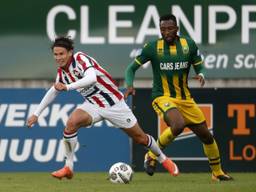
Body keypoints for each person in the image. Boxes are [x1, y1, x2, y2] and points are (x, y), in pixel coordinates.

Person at [26, 36, 179, 180]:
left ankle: (163, 159)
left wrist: (68, 87)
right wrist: (36, 114)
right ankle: (68, 167)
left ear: (70, 52)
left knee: (141, 138)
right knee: (71, 123)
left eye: (61, 54)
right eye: (55, 54)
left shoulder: (80, 58)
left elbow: (91, 78)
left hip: (114, 104)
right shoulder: (62, 73)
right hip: (93, 104)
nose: (58, 57)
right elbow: (54, 90)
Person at [124, 14, 233, 181]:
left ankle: (217, 173)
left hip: (185, 99)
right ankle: (152, 155)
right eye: (162, 29)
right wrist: (130, 85)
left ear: (177, 29)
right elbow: (130, 69)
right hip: (162, 96)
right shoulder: (152, 48)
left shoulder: (188, 45)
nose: (166, 32)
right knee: (178, 124)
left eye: (169, 29)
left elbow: (199, 65)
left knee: (207, 136)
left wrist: (202, 74)